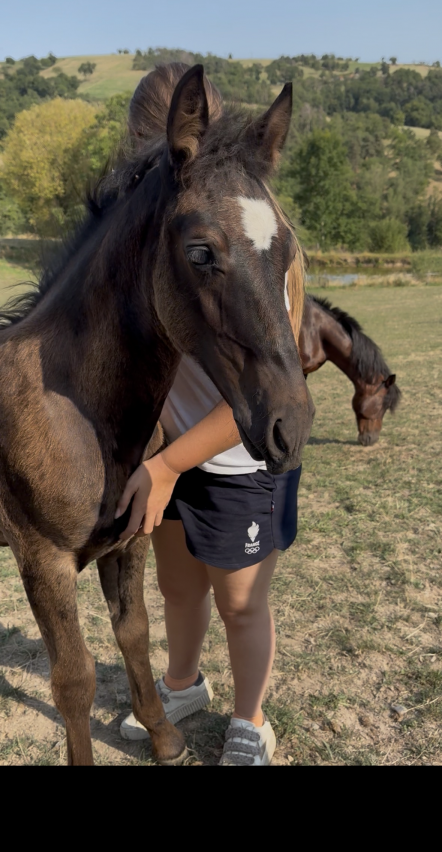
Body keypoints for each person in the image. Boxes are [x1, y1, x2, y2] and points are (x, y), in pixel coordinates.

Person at [115, 64, 306, 766]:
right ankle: (182, 683)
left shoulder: (263, 246)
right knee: (178, 589)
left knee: (242, 604)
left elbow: (262, 396)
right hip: (166, 463)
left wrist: (165, 462)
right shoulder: (155, 239)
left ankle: (251, 720)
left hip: (236, 459)